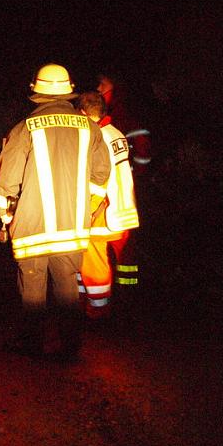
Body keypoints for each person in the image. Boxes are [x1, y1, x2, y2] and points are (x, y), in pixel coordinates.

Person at [0, 63, 110, 360]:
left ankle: (31, 344)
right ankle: (70, 347)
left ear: (36, 91)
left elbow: (6, 182)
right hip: (73, 227)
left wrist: (4, 215)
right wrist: (87, 206)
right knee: (67, 285)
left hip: (33, 226)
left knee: (32, 285)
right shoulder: (91, 128)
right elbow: (101, 175)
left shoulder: (24, 128)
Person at [75, 91, 140, 320]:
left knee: (93, 262)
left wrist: (89, 210)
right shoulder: (115, 133)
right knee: (124, 264)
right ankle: (124, 304)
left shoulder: (96, 137)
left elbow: (97, 179)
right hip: (123, 208)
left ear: (82, 113)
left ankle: (97, 310)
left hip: (103, 210)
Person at [96, 72, 146, 292]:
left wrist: (130, 174)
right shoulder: (116, 114)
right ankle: (124, 293)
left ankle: (125, 292)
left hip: (124, 191)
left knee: (124, 246)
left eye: (102, 84)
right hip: (117, 191)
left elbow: (142, 151)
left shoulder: (122, 117)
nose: (99, 88)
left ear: (114, 87)